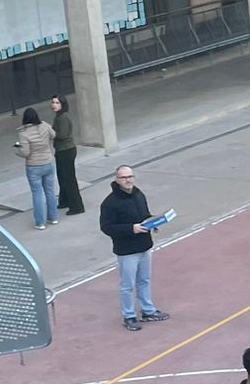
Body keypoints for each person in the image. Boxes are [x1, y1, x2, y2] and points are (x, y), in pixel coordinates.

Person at [98, 165, 170, 331]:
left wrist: (152, 222)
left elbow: (144, 215)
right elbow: (107, 227)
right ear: (117, 179)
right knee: (127, 285)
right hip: (127, 250)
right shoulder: (110, 203)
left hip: (144, 245)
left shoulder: (138, 194)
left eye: (130, 176)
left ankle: (148, 310)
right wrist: (131, 228)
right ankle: (129, 316)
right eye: (124, 177)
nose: (128, 180)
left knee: (144, 280)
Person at [47, 95, 83, 216]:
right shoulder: (59, 116)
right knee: (62, 177)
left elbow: (62, 135)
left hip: (66, 150)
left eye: (57, 103)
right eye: (53, 102)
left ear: (62, 104)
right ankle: (64, 200)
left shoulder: (62, 117)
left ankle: (77, 206)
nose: (54, 105)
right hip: (62, 150)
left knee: (69, 179)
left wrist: (51, 131)